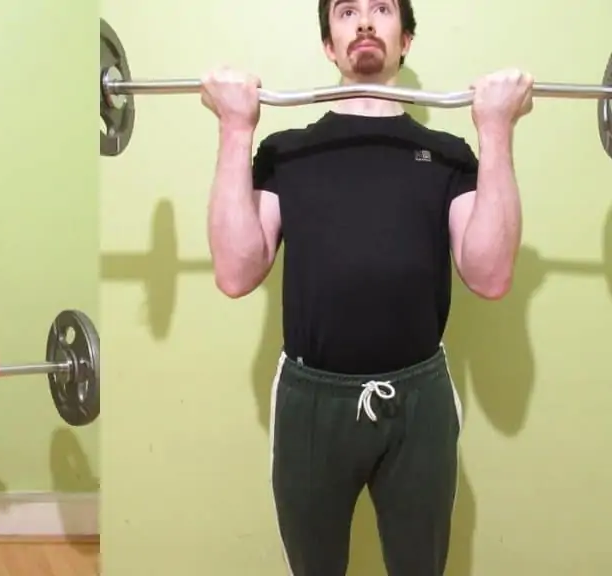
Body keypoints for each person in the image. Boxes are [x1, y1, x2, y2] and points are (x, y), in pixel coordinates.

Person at [200, 0, 532, 574]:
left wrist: (496, 129)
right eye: (346, 11)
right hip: (311, 401)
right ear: (330, 45)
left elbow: (490, 274)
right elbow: (235, 271)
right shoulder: (289, 151)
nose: (365, 21)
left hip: (419, 400)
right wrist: (235, 128)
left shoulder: (449, 156)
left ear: (405, 39)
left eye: (382, 8)